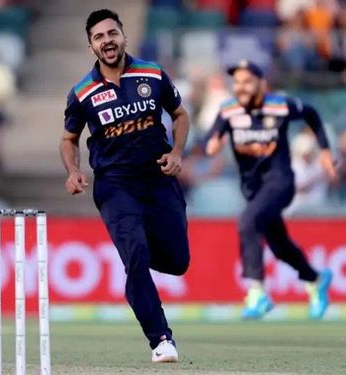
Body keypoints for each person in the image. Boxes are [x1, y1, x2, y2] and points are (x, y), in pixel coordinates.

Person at [60, 9, 190, 362]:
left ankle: (137, 279)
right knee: (136, 256)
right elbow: (69, 138)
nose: (108, 41)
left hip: (158, 177)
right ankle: (161, 338)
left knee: (178, 262)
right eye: (99, 37)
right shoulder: (83, 92)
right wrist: (73, 171)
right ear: (92, 46)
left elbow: (180, 114)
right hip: (115, 184)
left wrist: (177, 152)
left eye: (112, 33)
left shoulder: (152, 72)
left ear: (124, 36)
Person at [204, 59, 337, 320]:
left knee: (247, 222)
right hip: (253, 190)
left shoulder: (279, 105)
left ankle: (257, 292)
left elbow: (311, 113)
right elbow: (212, 138)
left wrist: (324, 150)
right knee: (280, 246)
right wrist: (213, 145)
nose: (241, 86)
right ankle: (317, 278)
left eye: (247, 81)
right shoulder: (229, 110)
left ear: (261, 84)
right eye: (237, 82)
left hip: (281, 183)